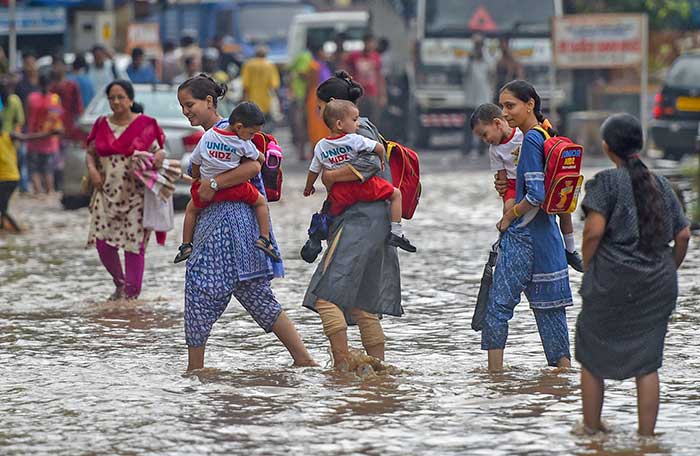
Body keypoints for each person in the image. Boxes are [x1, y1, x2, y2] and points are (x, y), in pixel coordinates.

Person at [176, 74, 315, 371]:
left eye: (190, 105)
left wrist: (212, 184)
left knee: (199, 287)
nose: (186, 111)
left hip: (228, 222)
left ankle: (195, 370)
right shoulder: (218, 134)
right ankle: (303, 360)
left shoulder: (229, 130)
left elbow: (254, 165)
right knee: (255, 293)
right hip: (236, 223)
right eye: (183, 106)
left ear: (209, 102)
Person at [576, 113, 690, 436]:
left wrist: (588, 268)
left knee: (592, 356)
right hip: (658, 285)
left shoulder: (605, 183)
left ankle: (592, 433)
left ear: (607, 147)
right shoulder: (662, 184)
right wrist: (670, 267)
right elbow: (682, 237)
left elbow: (593, 234)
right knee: (647, 362)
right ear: (639, 144)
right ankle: (646, 439)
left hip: (612, 282)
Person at [302, 70, 403, 370]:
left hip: (359, 222)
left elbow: (370, 164)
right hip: (373, 222)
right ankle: (377, 371)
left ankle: (342, 366)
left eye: (320, 108)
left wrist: (329, 175)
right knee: (362, 301)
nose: (318, 114)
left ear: (333, 106)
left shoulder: (358, 133)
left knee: (324, 294)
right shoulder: (360, 130)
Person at [482, 80, 574, 371]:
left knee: (496, 309)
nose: (506, 113)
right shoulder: (545, 134)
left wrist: (509, 217)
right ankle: (562, 381)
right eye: (503, 106)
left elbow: (536, 194)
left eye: (511, 106)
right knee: (551, 313)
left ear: (530, 104)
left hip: (524, 236)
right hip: (550, 240)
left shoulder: (531, 140)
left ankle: (494, 379)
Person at [471, 103, 583, 272]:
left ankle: (570, 249)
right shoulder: (495, 150)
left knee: (564, 210)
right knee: (508, 209)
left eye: (485, 134)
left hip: (537, 178)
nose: (486, 140)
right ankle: (508, 247)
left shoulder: (525, 134)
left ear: (497, 123)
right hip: (514, 185)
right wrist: (508, 204)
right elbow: (502, 182)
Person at [86, 80, 166, 300]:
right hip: (105, 193)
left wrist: (159, 157)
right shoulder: (101, 123)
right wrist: (92, 170)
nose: (116, 101)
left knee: (134, 246)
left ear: (130, 99)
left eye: (120, 97)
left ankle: (131, 302)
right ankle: (119, 283)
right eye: (111, 98)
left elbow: (159, 152)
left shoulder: (147, 125)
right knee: (102, 242)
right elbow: (90, 152)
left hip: (137, 195)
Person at [304, 99, 415, 252]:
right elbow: (378, 148)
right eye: (354, 120)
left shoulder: (321, 146)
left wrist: (308, 187)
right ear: (339, 124)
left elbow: (313, 170)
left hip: (339, 191)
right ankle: (396, 233)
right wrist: (382, 162)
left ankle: (315, 239)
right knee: (396, 194)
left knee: (326, 213)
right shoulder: (355, 139)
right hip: (364, 186)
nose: (358, 124)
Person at [175, 101, 279, 263]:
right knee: (260, 202)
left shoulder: (208, 136)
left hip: (205, 189)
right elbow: (260, 159)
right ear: (238, 127)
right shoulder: (242, 143)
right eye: (251, 133)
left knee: (191, 210)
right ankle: (265, 239)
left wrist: (197, 177)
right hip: (234, 188)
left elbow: (195, 162)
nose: (252, 137)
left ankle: (186, 245)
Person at [26, 74, 63, 196]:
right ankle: (49, 191)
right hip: (49, 140)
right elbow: (57, 119)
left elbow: (27, 116)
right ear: (50, 84)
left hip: (33, 138)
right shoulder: (54, 99)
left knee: (34, 168)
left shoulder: (31, 98)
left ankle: (37, 191)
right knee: (48, 169)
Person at [345, 33, 386, 128]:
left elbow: (379, 77)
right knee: (357, 119)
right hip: (359, 94)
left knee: (374, 120)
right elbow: (347, 70)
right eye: (368, 42)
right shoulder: (355, 56)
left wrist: (382, 95)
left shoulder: (376, 57)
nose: (370, 45)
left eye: (372, 43)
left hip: (372, 93)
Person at [463, 35, 494, 156]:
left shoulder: (487, 60)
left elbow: (492, 69)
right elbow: (463, 70)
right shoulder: (469, 60)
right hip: (471, 99)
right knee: (469, 126)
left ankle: (482, 149)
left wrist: (483, 54)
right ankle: (466, 148)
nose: (478, 48)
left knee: (484, 126)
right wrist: (471, 57)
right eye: (477, 45)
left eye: (480, 45)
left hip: (483, 99)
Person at [305, 44, 332, 157]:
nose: (326, 54)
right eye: (324, 51)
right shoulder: (314, 66)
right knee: (315, 125)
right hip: (316, 97)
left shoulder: (324, 65)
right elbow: (311, 85)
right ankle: (315, 150)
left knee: (324, 124)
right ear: (319, 52)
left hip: (324, 97)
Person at [240, 46, 280, 121]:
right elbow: (274, 85)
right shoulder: (270, 65)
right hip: (265, 100)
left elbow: (245, 84)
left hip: (251, 98)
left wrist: (243, 98)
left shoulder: (248, 64)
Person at [494, 38, 524, 103]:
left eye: (504, 44)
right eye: (501, 45)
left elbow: (520, 77)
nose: (503, 47)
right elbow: (496, 77)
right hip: (500, 91)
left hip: (511, 91)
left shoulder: (514, 60)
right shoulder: (499, 61)